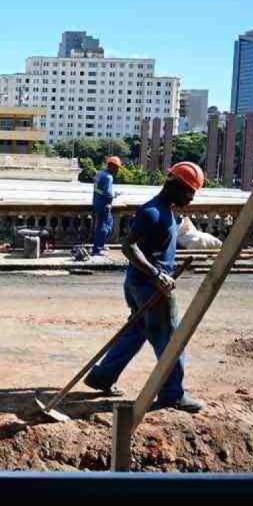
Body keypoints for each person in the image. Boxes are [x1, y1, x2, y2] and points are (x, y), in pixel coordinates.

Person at [84, 161, 206, 413]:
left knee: (136, 331)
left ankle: (102, 377)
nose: (191, 199)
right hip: (151, 287)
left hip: (140, 284)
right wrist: (157, 273)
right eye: (189, 192)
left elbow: (157, 247)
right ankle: (172, 393)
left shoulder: (167, 212)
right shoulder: (152, 212)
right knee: (172, 339)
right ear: (174, 185)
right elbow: (129, 246)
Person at [91, 156, 122, 256]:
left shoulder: (100, 173)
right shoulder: (109, 177)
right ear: (112, 166)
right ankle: (97, 249)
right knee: (105, 226)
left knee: (103, 225)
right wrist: (115, 194)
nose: (118, 170)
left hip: (97, 203)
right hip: (105, 205)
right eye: (117, 167)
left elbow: (98, 189)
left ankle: (100, 244)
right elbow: (108, 193)